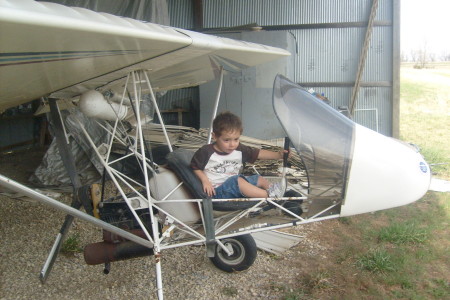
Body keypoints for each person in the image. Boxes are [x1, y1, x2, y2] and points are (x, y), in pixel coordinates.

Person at [190, 111, 287, 199]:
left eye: (236, 139)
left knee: (259, 178)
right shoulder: (206, 151)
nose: (232, 144)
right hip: (217, 191)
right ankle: (270, 197)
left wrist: (279, 155)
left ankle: (274, 191)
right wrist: (205, 181)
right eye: (226, 140)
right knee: (238, 181)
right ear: (215, 137)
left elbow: (257, 154)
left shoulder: (239, 149)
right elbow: (195, 167)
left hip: (234, 186)